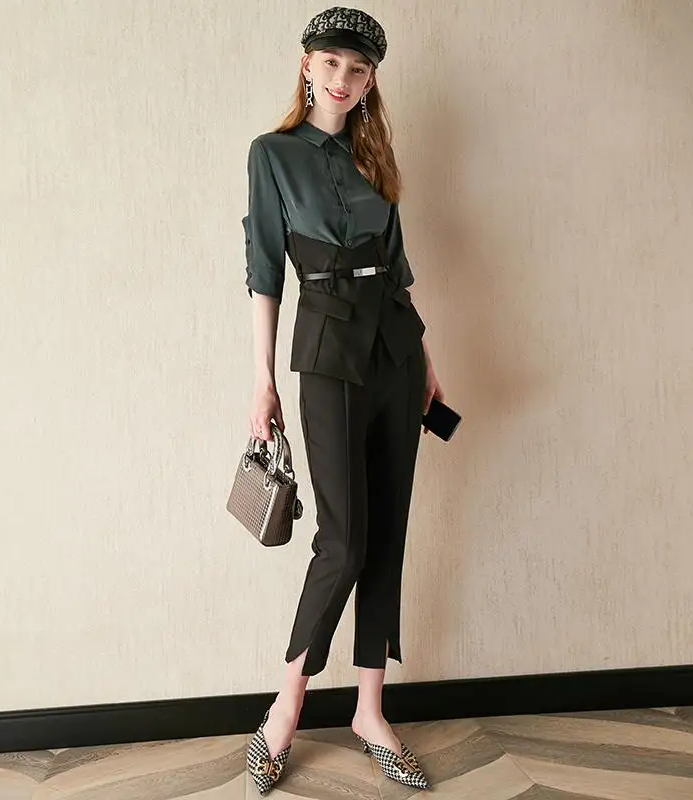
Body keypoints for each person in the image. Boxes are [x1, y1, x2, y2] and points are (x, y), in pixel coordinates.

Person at [241, 6, 444, 794]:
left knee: (388, 534)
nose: (342, 79)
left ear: (370, 82)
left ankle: (369, 710)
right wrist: (261, 379)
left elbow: (398, 271)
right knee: (344, 542)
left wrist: (427, 363)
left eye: (357, 70)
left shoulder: (375, 156)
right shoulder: (272, 154)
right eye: (330, 63)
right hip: (327, 351)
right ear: (306, 65)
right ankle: (286, 706)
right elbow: (264, 270)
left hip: (396, 350)